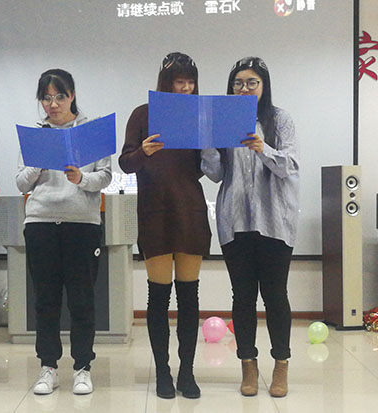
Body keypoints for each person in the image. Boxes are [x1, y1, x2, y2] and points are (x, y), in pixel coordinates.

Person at [201, 56, 299, 397]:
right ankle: (248, 364)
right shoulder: (223, 121)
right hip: (235, 220)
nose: (244, 89)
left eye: (251, 83)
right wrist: (208, 144)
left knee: (275, 295)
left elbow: (289, 166)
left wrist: (262, 147)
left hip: (275, 221)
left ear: (263, 86)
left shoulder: (280, 119)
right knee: (242, 296)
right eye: (238, 83)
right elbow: (215, 174)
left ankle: (281, 364)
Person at [119, 52, 212, 399]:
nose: (185, 88)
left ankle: (187, 372)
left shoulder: (201, 115)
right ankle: (162, 372)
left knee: (189, 295)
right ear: (165, 83)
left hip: (190, 211)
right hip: (155, 211)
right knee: (158, 296)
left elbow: (205, 168)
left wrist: (209, 145)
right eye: (179, 81)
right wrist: (144, 151)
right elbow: (126, 163)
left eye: (190, 81)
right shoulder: (142, 115)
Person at [16, 69, 112, 396]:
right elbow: (21, 182)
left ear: (72, 95)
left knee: (82, 300)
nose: (53, 104)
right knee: (46, 300)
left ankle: (82, 367)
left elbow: (105, 176)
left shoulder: (90, 131)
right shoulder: (36, 134)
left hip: (82, 224)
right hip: (41, 222)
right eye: (46, 98)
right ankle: (48, 367)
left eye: (59, 96)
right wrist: (39, 163)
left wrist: (80, 179)